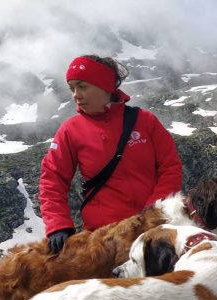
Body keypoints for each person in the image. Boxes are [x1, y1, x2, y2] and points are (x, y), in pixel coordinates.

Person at [39, 54, 183, 253]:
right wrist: (58, 225)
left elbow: (170, 167)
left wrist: (153, 212)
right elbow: (52, 180)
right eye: (71, 88)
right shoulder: (70, 130)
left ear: (105, 86)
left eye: (82, 86)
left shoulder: (145, 121)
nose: (75, 95)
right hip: (104, 241)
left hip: (152, 232)